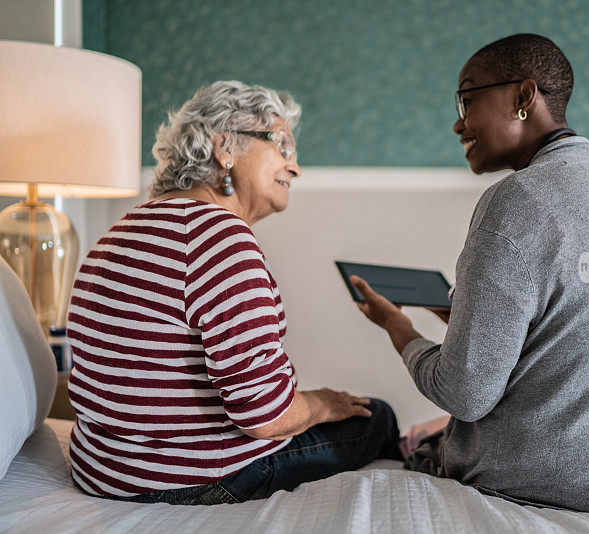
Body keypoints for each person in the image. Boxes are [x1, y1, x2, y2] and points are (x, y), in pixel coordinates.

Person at [351, 34, 589, 512]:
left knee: (420, 437)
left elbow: (464, 395)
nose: (456, 123)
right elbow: (574, 334)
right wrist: (466, 320)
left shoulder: (515, 200)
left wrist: (398, 328)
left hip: (577, 475)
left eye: (467, 100)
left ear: (523, 97)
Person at [66, 81, 401, 505]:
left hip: (99, 470)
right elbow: (266, 415)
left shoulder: (117, 234)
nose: (295, 168)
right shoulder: (219, 237)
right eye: (282, 145)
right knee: (378, 416)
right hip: (187, 479)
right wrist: (323, 403)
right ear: (224, 147)